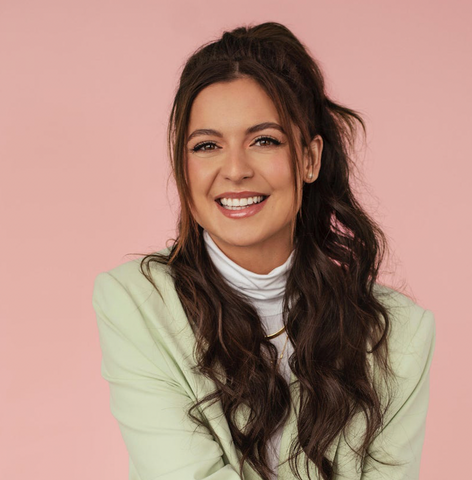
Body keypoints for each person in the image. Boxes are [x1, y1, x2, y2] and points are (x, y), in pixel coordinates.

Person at [92, 21, 436, 480]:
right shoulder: (137, 302)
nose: (234, 170)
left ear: (310, 158)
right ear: (184, 166)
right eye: (207, 145)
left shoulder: (399, 335)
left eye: (264, 140)